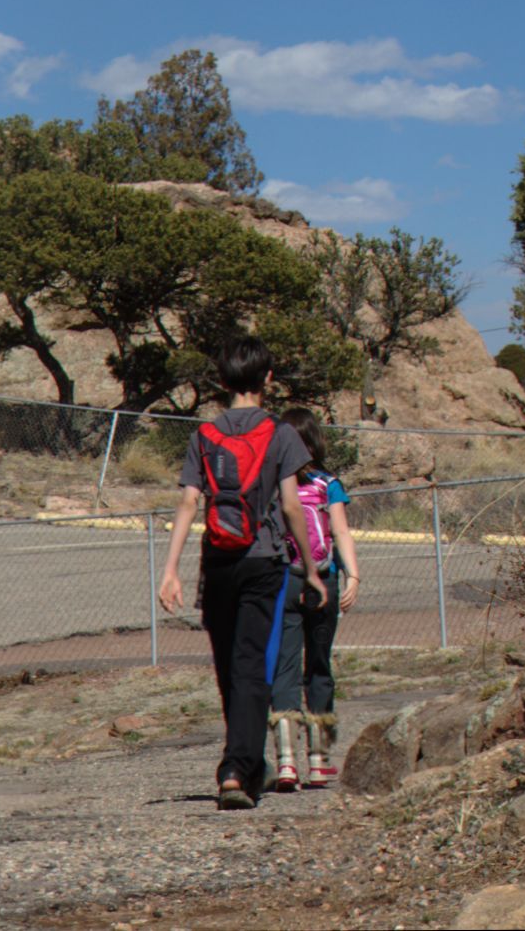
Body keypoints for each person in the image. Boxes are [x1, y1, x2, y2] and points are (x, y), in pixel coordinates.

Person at [155, 335, 325, 810]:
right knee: (253, 666)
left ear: (222, 381)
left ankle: (246, 766)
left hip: (218, 563)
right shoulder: (281, 434)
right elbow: (291, 505)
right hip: (264, 560)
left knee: (229, 665)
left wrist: (171, 570)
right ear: (267, 379)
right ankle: (236, 768)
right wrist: (309, 568)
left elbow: (189, 501)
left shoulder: (203, 436)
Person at [265, 408, 361, 789]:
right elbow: (340, 532)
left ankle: (286, 762)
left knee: (284, 667)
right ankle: (319, 761)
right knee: (319, 665)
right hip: (324, 579)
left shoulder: (273, 484)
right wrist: (353, 573)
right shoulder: (328, 483)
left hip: (284, 581)